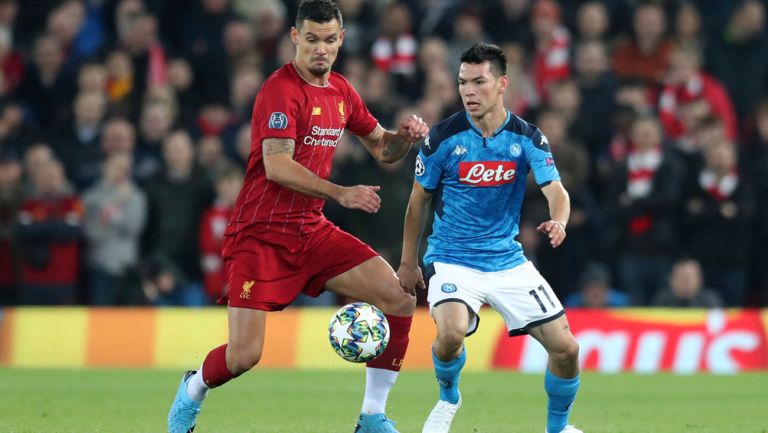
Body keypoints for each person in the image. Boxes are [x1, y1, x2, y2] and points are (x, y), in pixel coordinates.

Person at [167, 1, 429, 433]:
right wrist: (340, 193)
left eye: (329, 40)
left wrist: (404, 138)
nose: (320, 49)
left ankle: (372, 417)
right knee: (244, 356)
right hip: (261, 235)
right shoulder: (279, 89)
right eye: (311, 39)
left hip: (311, 231)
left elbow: (382, 148)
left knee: (400, 296)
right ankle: (193, 388)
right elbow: (277, 165)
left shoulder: (343, 92)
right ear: (295, 38)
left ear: (341, 40)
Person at [397, 43, 582, 433]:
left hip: (506, 260)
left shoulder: (527, 137)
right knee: (449, 334)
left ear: (502, 84)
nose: (468, 91)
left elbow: (556, 191)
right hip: (452, 257)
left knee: (566, 350)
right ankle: (449, 397)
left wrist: (559, 221)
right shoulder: (443, 138)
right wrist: (409, 262)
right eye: (463, 82)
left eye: (479, 82)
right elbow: (418, 203)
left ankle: (559, 428)